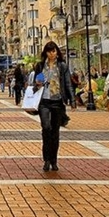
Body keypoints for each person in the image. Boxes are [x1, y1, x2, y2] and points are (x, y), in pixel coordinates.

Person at [34, 41, 75, 172]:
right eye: (50, 51)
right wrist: (38, 84)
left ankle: (54, 160)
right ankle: (46, 159)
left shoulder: (62, 66)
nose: (52, 54)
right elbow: (35, 84)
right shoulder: (40, 66)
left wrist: (72, 99)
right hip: (44, 101)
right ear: (46, 53)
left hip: (57, 101)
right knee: (46, 128)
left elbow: (68, 83)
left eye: (54, 51)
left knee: (55, 132)